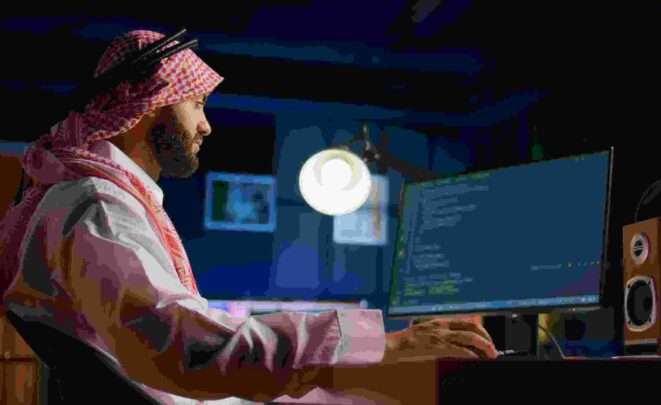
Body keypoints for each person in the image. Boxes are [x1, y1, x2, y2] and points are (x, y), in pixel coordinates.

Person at [0, 30, 497, 404]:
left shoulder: (89, 198)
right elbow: (186, 349)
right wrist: (392, 344)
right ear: (150, 107)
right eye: (196, 104)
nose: (207, 125)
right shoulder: (97, 207)